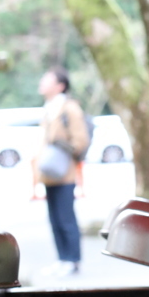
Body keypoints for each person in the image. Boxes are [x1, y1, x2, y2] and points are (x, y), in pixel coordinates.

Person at [33, 67, 89, 277]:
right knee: (54, 218)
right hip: (49, 173)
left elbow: (80, 140)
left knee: (66, 217)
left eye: (47, 80)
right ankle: (62, 258)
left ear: (60, 85)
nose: (43, 83)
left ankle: (73, 260)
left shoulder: (69, 108)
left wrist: (62, 149)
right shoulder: (49, 108)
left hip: (64, 172)